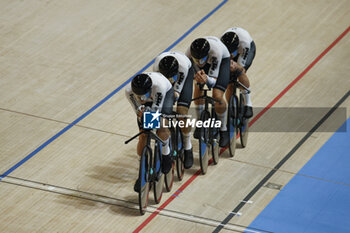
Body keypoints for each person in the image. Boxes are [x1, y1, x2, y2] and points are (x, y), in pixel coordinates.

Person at [125, 72, 173, 192]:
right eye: (139, 96)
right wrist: (141, 114)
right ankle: (142, 170)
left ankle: (166, 154)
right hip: (148, 101)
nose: (141, 99)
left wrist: (149, 118)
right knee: (143, 134)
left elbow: (156, 111)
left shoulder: (159, 87)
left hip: (164, 95)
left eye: (143, 95)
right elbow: (138, 110)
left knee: (162, 125)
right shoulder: (129, 91)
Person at [186, 36, 231, 147]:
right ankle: (200, 120)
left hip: (221, 62)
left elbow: (213, 82)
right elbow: (190, 71)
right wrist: (198, 79)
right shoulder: (188, 54)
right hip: (206, 62)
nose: (199, 63)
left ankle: (223, 130)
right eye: (197, 60)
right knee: (197, 86)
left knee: (217, 95)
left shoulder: (216, 52)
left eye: (201, 60)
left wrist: (206, 79)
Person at [153, 51, 195, 169]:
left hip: (184, 78)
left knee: (181, 112)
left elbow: (176, 92)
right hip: (164, 82)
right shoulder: (157, 67)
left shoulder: (182, 68)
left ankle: (188, 146)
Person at [220, 27, 256, 118]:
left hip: (247, 49)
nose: (232, 56)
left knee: (240, 72)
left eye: (232, 53)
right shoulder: (221, 45)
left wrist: (236, 68)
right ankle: (231, 106)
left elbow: (240, 66)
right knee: (229, 80)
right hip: (232, 50)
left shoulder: (244, 43)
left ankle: (248, 104)